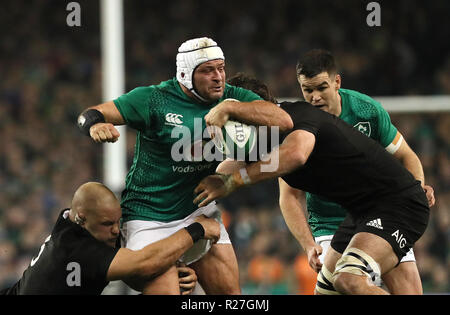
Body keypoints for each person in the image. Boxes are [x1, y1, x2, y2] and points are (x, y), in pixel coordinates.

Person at [76, 37, 293, 295]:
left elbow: (283, 121)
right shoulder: (154, 99)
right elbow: (89, 114)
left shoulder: (232, 97)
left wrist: (231, 108)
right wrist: (95, 126)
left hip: (198, 212)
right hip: (148, 218)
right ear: (185, 74)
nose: (218, 77)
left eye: (221, 68)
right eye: (207, 70)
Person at [194, 75, 430, 295]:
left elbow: (296, 155)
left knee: (349, 280)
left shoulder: (298, 117)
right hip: (362, 213)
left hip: (395, 203)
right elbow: (215, 177)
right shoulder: (260, 144)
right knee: (327, 291)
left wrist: (234, 181)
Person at [275, 49, 434, 294]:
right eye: (308, 90)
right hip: (331, 225)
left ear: (337, 82)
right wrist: (307, 244)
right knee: (345, 285)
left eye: (321, 87)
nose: (315, 97)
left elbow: (406, 156)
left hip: (381, 212)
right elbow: (288, 196)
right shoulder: (295, 126)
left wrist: (418, 186)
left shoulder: (366, 111)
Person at [1, 182, 219, 295]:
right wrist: (195, 230)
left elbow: (128, 268)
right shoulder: (75, 249)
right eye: (108, 224)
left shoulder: (77, 223)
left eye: (117, 221)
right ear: (82, 219)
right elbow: (143, 263)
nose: (116, 231)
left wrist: (176, 269)